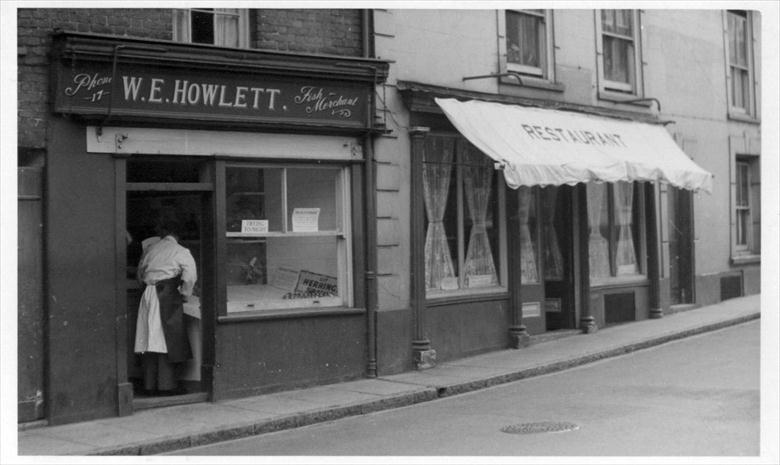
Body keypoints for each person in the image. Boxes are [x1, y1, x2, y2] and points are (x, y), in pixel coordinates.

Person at [134, 220, 197, 396]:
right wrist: (185, 293)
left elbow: (140, 274)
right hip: (167, 296)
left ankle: (149, 384)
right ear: (178, 235)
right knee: (166, 340)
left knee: (148, 338)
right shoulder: (181, 251)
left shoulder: (151, 249)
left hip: (148, 294)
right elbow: (190, 277)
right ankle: (166, 385)